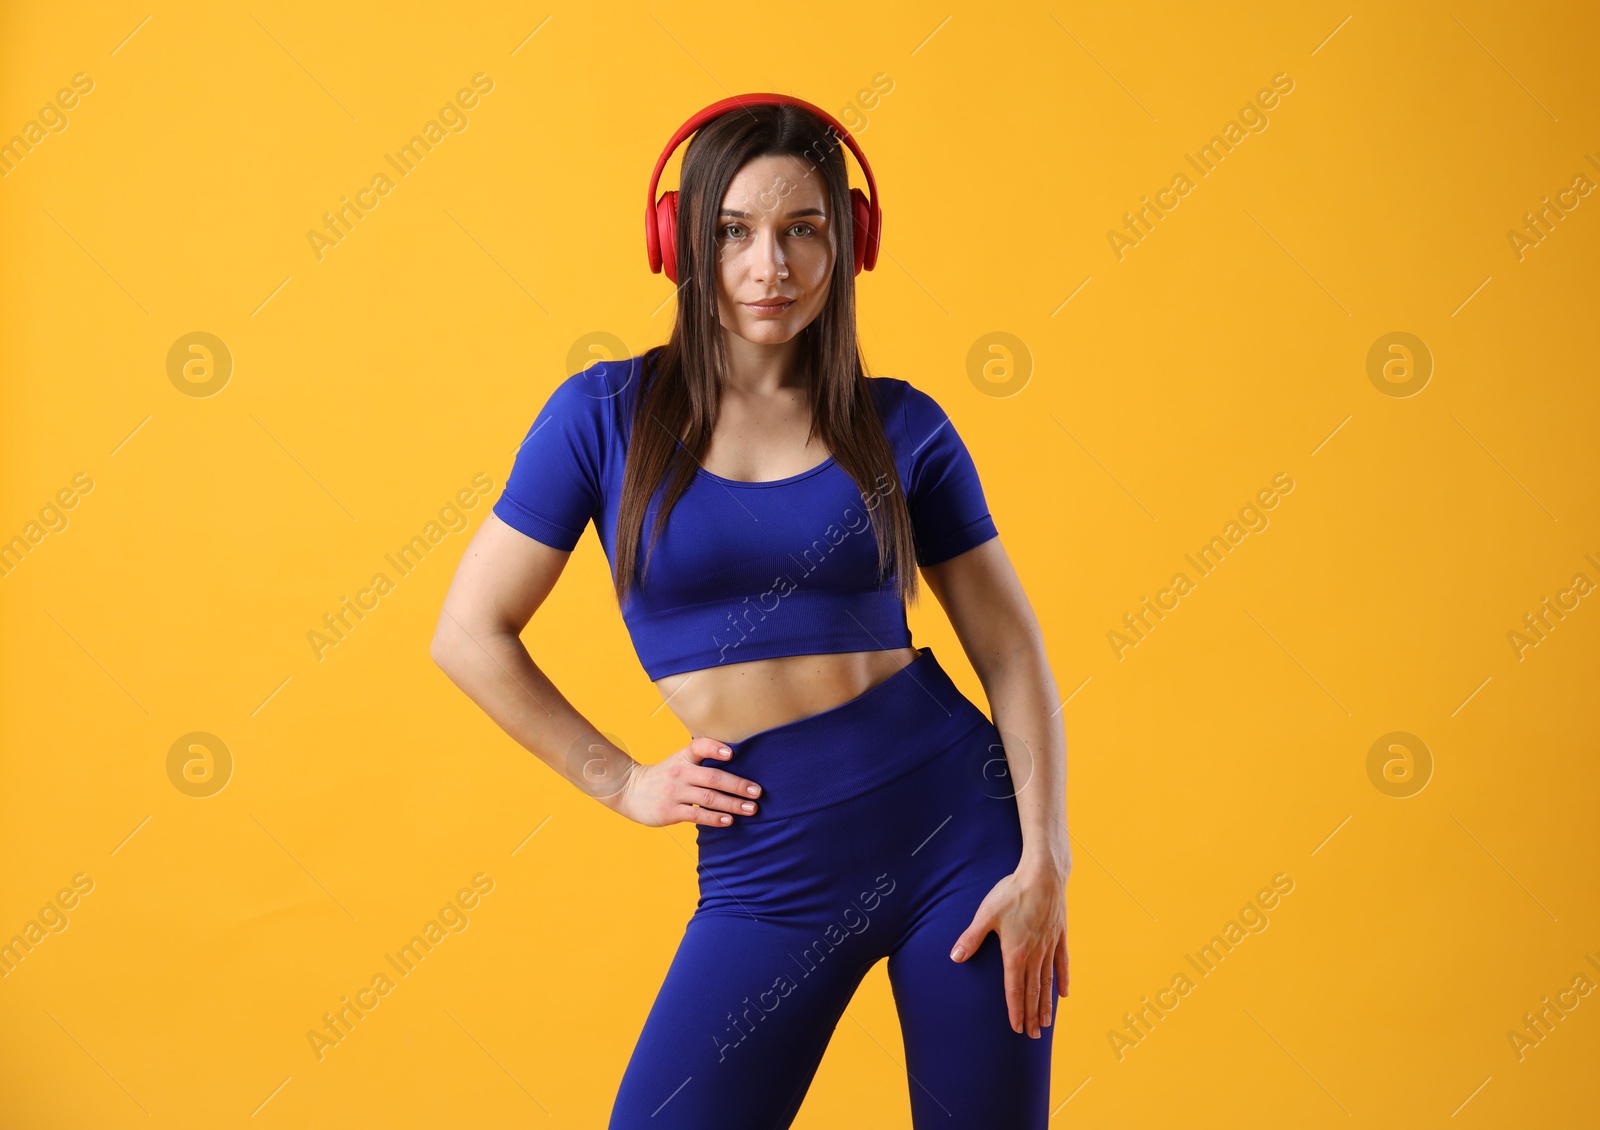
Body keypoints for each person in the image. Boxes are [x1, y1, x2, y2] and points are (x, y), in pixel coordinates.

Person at [430, 95, 1070, 1129]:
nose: (769, 264)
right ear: (679, 242)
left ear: (848, 243)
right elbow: (466, 632)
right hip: (771, 855)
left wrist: (1046, 857)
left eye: (802, 228)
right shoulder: (602, 417)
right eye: (733, 232)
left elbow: (1009, 646)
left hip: (960, 828)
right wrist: (623, 781)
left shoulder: (904, 424)